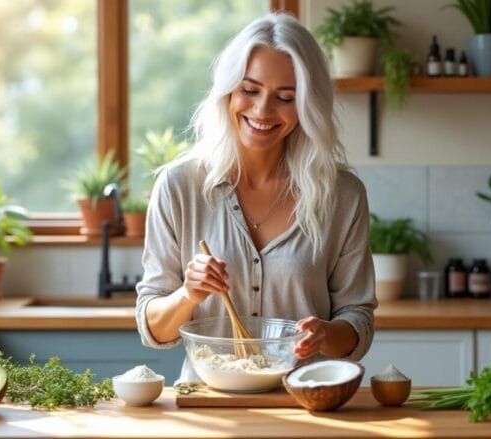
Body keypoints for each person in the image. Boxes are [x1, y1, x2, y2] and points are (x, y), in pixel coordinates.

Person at [135, 12, 376, 383]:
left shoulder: (342, 195)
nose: (262, 111)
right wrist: (189, 293)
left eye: (285, 97)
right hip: (209, 409)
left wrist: (327, 334)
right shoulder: (179, 186)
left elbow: (357, 320)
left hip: (306, 404)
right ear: (228, 90)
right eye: (249, 90)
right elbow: (153, 329)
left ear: (307, 106)